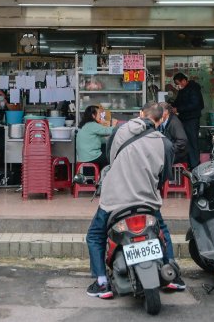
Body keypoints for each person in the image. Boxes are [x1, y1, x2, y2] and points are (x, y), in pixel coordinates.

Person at [85, 102, 185, 298]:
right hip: (146, 201)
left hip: (114, 200)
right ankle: (171, 273)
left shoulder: (120, 131)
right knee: (162, 231)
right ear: (162, 119)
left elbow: (110, 158)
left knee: (96, 235)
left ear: (141, 114)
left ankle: (102, 282)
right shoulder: (165, 143)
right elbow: (163, 177)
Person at [170, 72, 204, 168]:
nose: (178, 86)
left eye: (178, 83)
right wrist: (171, 105)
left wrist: (178, 109)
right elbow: (178, 101)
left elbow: (195, 104)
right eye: (176, 84)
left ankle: (195, 165)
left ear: (184, 80)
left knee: (193, 142)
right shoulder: (183, 90)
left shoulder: (193, 89)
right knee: (186, 142)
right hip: (184, 119)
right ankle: (188, 163)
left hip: (192, 119)